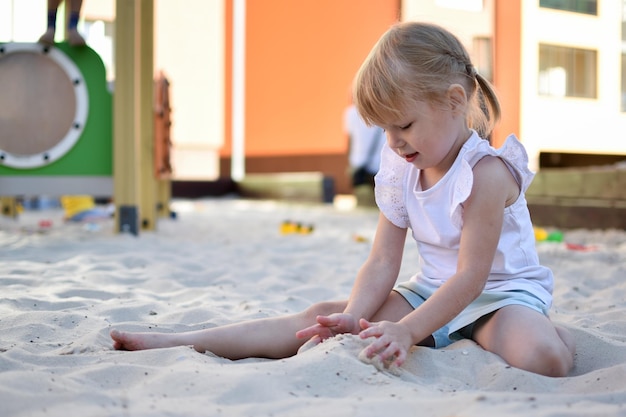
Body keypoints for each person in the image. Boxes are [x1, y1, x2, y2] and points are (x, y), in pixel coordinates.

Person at [110, 21, 575, 377]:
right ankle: (180, 339)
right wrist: (354, 317)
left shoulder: (486, 172)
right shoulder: (402, 167)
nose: (393, 142)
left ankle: (557, 333)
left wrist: (408, 330)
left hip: (499, 297)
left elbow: (473, 277)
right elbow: (381, 262)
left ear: (454, 101)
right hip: (429, 292)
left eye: (405, 125)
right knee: (322, 318)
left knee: (542, 358)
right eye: (385, 129)